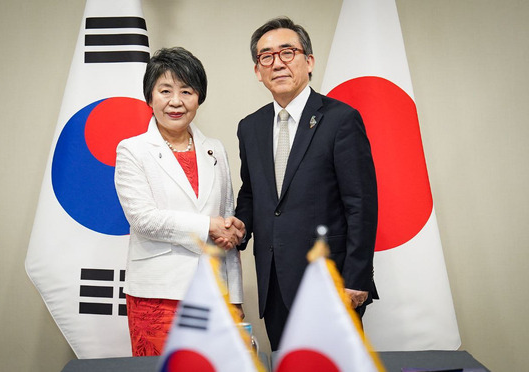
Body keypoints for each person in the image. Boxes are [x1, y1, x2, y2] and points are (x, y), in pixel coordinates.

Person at [234, 17, 378, 351]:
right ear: (258, 70)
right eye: (266, 56)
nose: (278, 63)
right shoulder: (250, 127)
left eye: (288, 52)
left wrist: (356, 278)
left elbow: (361, 204)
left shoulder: (341, 119)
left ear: (308, 62)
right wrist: (238, 227)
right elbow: (252, 191)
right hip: (274, 283)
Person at [114, 47, 245, 356]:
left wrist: (235, 298)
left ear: (199, 98)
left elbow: (226, 221)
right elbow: (143, 219)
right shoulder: (132, 150)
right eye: (165, 91)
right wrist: (208, 226)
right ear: (150, 97)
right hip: (158, 297)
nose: (176, 101)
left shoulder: (215, 150)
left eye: (186, 91)